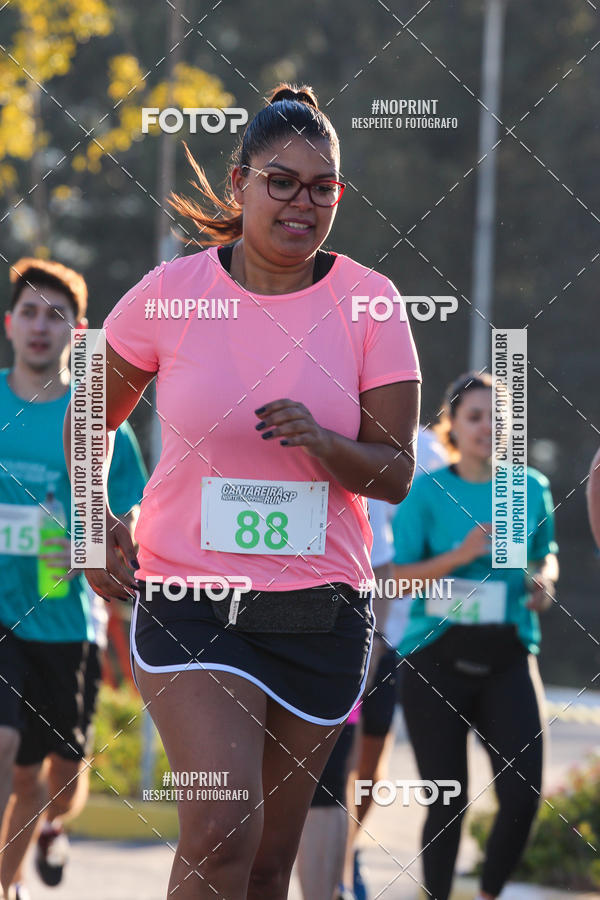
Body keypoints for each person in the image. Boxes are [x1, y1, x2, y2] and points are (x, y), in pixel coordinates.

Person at [64, 82, 421, 900]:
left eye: (321, 186)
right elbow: (90, 408)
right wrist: (91, 524)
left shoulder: (370, 302)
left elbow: (395, 472)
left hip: (319, 610)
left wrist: (325, 443)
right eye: (281, 181)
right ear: (240, 183)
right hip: (191, 597)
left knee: (266, 866)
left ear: (340, 193)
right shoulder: (173, 293)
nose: (302, 202)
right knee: (223, 834)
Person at [0, 258, 148, 900]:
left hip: (67, 621)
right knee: (7, 755)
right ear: (9, 324)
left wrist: (106, 540)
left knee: (56, 780)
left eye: (55, 315)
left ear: (77, 330)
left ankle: (54, 827)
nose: (40, 326)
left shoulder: (97, 414)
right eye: (29, 311)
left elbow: (130, 508)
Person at [392, 372, 559, 900]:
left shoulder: (528, 488)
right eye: (474, 416)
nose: (487, 426)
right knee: (447, 801)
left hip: (507, 654)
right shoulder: (425, 492)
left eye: (496, 417)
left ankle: (489, 892)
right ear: (453, 427)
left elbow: (545, 554)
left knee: (523, 794)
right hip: (433, 660)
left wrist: (545, 580)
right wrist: (461, 556)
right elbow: (399, 578)